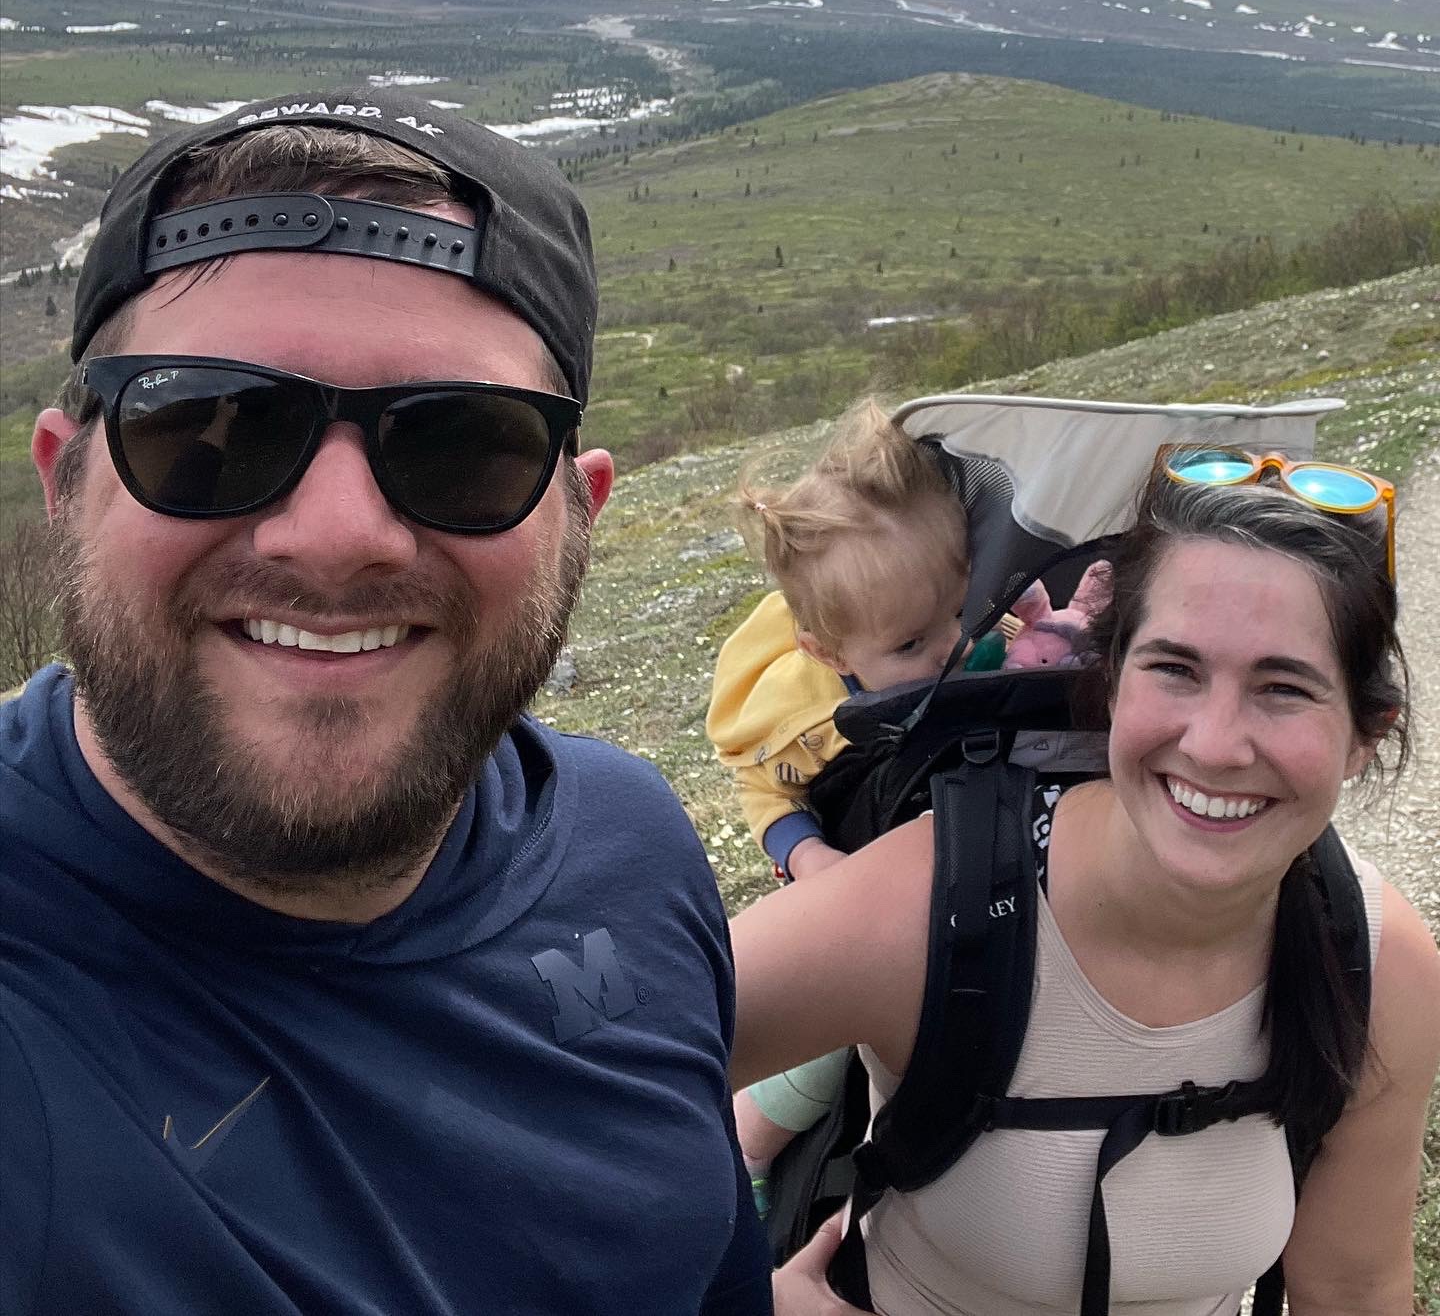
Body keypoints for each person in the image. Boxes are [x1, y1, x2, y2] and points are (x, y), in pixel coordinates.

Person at [0, 90, 770, 1315]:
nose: (337, 533)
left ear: (580, 515)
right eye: (205, 424)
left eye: (461, 442)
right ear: (63, 484)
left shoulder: (628, 843)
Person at [733, 457, 1440, 1315]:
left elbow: (1354, 1286)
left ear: (1366, 735)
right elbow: (592, 1080)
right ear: (1108, 682)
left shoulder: (1378, 964)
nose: (1214, 745)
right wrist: (742, 1302)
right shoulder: (931, 901)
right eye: (1174, 668)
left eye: (1284, 688)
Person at [705, 402, 1011, 1210]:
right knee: (830, 1031)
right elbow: (762, 789)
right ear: (827, 650)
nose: (948, 648)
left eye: (957, 610)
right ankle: (749, 1141)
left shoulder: (944, 633)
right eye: (910, 644)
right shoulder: (796, 716)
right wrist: (808, 856)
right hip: (839, 875)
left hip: (947, 861)